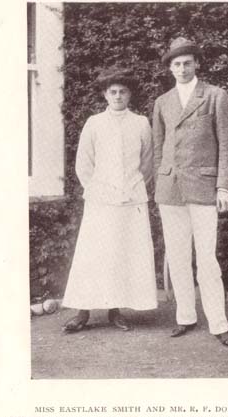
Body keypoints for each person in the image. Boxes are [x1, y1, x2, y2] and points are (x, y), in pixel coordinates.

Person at [153, 37, 228, 348]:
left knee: (207, 259)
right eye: (176, 64)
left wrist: (224, 186)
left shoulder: (215, 96)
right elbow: (159, 149)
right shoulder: (162, 102)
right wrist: (159, 184)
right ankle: (185, 317)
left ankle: (219, 324)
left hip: (203, 188)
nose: (182, 68)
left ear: (197, 64)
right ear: (170, 68)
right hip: (170, 190)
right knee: (177, 257)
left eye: (187, 62)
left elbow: (227, 146)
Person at [62, 67, 157, 333]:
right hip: (100, 200)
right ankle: (83, 312)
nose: (117, 96)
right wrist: (98, 189)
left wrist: (131, 186)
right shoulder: (94, 123)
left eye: (122, 91)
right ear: (105, 94)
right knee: (93, 255)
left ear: (129, 94)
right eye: (113, 91)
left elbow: (147, 164)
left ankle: (116, 311)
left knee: (123, 255)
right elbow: (84, 164)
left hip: (131, 199)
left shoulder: (140, 123)